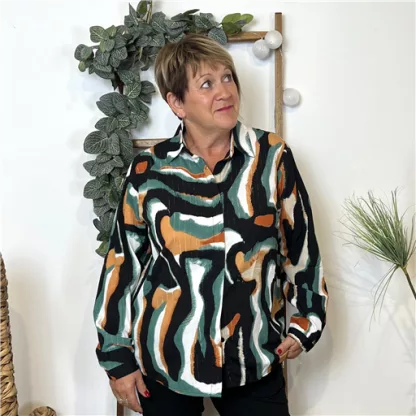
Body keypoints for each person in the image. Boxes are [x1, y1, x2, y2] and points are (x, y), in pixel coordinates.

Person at [93, 33, 328, 416]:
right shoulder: (148, 171)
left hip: (252, 358)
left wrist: (306, 322)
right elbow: (123, 265)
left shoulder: (271, 158)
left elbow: (300, 250)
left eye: (227, 77)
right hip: (167, 364)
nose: (224, 91)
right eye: (206, 84)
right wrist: (117, 359)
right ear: (176, 102)